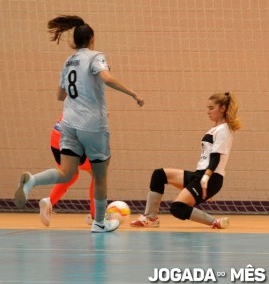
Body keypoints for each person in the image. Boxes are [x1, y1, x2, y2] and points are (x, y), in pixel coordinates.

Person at [14, 15, 144, 233]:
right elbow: (107, 78)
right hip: (92, 124)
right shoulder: (96, 57)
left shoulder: (68, 61)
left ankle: (32, 181)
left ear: (75, 40)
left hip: (68, 123)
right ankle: (99, 223)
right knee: (100, 175)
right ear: (92, 39)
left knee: (66, 172)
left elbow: (59, 95)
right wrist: (133, 94)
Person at [131, 92, 241, 229]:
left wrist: (206, 179)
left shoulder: (223, 130)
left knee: (177, 208)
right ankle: (150, 218)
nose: (208, 111)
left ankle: (215, 222)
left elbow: (215, 159)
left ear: (223, 108)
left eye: (211, 108)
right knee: (159, 174)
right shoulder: (215, 128)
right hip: (200, 175)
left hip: (211, 177)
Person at [39, 114, 95, 227]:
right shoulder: (92, 102)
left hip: (56, 136)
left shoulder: (72, 99)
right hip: (72, 139)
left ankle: (49, 201)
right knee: (97, 175)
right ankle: (96, 217)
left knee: (70, 174)